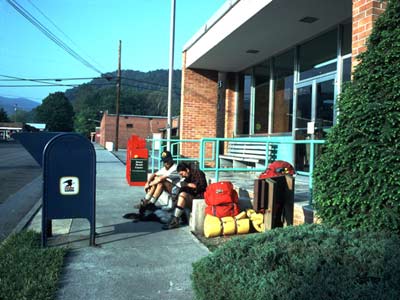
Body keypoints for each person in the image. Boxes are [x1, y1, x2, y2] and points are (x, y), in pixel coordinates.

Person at [162, 162, 208, 230]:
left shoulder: (198, 173)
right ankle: (176, 218)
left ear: (187, 170)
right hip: (193, 196)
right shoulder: (187, 176)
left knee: (182, 195)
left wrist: (187, 184)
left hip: (199, 197)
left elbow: (200, 187)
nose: (182, 176)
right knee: (180, 193)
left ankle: (175, 220)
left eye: (182, 173)